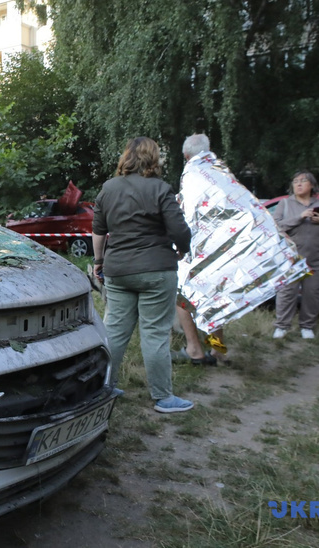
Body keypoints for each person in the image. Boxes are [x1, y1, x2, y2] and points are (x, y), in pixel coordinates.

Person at [92, 137, 194, 413]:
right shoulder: (160, 188)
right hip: (156, 269)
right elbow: (179, 229)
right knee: (155, 333)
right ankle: (163, 398)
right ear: (153, 159)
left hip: (118, 270)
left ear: (127, 157)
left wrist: (99, 261)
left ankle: (102, 388)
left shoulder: (108, 188)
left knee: (114, 331)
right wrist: (183, 249)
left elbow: (98, 230)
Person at [272, 171, 319, 339]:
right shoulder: (285, 204)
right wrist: (300, 217)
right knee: (286, 294)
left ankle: (307, 327)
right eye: (295, 181)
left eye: (303, 181)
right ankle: (282, 327)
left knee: (313, 294)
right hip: (291, 260)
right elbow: (275, 226)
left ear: (311, 185)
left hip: (317, 260)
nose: (298, 184)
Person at [172, 134, 223, 365]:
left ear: (186, 156)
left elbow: (185, 214)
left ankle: (194, 349)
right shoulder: (221, 172)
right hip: (220, 248)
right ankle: (218, 350)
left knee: (183, 297)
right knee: (215, 299)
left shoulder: (192, 175)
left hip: (195, 249)